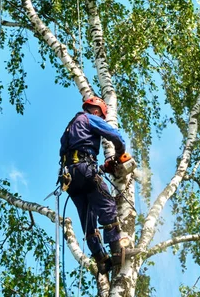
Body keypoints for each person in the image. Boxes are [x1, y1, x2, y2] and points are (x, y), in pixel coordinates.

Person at [59, 96, 127, 274]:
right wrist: (120, 153)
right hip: (84, 170)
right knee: (107, 205)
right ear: (97, 111)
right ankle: (117, 251)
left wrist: (103, 167)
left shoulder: (69, 128)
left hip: (69, 179)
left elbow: (73, 152)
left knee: (88, 218)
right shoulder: (90, 118)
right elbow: (116, 136)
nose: (101, 119)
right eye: (101, 117)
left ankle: (101, 259)